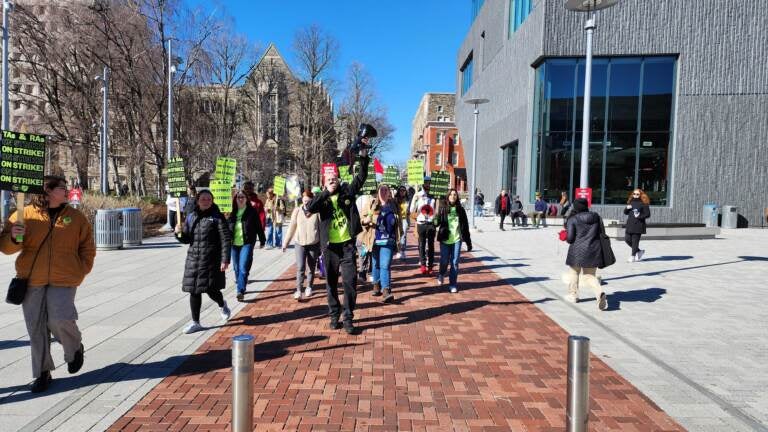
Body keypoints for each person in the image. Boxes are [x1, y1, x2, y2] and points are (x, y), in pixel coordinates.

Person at [0, 176, 96, 393]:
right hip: (32, 279)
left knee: (60, 319)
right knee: (36, 328)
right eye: (63, 188)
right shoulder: (24, 215)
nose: (67, 191)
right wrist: (14, 237)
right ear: (49, 191)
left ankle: (74, 349)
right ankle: (42, 373)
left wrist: (81, 269)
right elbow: (6, 248)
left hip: (65, 278)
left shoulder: (76, 217)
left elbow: (87, 248)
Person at [306, 145, 370, 335]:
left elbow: (361, 178)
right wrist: (326, 192)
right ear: (325, 182)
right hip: (329, 248)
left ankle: (348, 317)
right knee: (331, 283)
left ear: (339, 179)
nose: (333, 181)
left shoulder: (347, 192)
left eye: (335, 178)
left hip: (347, 246)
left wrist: (364, 156)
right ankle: (334, 315)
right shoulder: (322, 198)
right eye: (329, 179)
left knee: (350, 283)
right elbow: (310, 207)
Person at [174, 190, 233, 334]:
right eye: (203, 199)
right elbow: (187, 239)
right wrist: (178, 232)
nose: (206, 201)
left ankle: (222, 304)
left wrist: (225, 259)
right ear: (197, 200)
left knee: (211, 290)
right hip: (193, 259)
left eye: (208, 199)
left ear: (212, 201)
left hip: (211, 260)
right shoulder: (191, 216)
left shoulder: (217, 217)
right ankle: (196, 322)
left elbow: (225, 239)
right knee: (194, 290)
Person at [564, 198, 607, 310]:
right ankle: (599, 293)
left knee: (574, 272)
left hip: (577, 250)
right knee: (589, 276)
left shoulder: (573, 219)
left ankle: (574, 295)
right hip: (594, 250)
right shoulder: (596, 217)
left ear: (575, 207)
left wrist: (565, 236)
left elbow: (570, 238)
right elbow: (602, 233)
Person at [283, 190, 321, 300]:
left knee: (311, 267)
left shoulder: (316, 212)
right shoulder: (297, 211)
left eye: (308, 198)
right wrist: (285, 243)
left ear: (311, 199)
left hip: (313, 243)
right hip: (299, 243)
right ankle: (299, 290)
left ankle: (309, 287)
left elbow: (320, 228)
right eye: (304, 198)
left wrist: (323, 243)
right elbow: (291, 227)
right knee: (300, 267)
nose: (305, 200)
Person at [228, 190, 265, 302]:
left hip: (247, 242)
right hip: (234, 244)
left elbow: (258, 226)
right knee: (236, 268)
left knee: (243, 268)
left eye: (242, 197)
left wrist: (262, 240)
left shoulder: (251, 212)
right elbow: (225, 228)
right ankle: (241, 283)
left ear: (246, 199)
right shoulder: (231, 212)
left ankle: (240, 290)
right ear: (235, 199)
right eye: (238, 197)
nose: (240, 199)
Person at [434, 189, 472, 293]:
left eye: (455, 195)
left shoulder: (460, 209)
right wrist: (435, 218)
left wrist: (468, 242)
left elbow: (465, 227)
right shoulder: (443, 208)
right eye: (451, 194)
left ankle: (453, 284)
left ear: (457, 197)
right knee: (444, 261)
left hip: (457, 239)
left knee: (455, 262)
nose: (453, 196)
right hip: (445, 239)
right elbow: (436, 223)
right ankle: (441, 274)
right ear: (448, 196)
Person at [370, 185, 401, 302]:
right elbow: (363, 218)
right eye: (381, 190)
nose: (383, 192)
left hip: (389, 239)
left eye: (385, 190)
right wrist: (367, 220)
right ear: (377, 192)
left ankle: (386, 290)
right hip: (374, 239)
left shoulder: (393, 206)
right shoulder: (372, 204)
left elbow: (399, 223)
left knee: (385, 264)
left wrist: (400, 237)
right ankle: (376, 285)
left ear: (389, 193)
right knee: (376, 263)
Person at [409, 182, 437, 275]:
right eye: (426, 183)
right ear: (423, 184)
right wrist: (416, 202)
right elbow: (411, 210)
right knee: (421, 245)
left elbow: (437, 208)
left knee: (431, 246)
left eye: (429, 183)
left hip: (431, 223)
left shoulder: (434, 195)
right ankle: (423, 265)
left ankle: (430, 266)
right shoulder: (417, 195)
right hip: (421, 223)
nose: (428, 185)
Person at [624, 189, 651, 262]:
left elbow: (648, 214)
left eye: (637, 194)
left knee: (635, 241)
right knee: (627, 239)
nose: (635, 195)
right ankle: (639, 251)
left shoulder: (644, 203)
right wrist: (626, 208)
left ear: (641, 195)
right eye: (634, 194)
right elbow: (626, 213)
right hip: (630, 224)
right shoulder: (631, 202)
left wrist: (639, 216)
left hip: (638, 225)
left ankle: (632, 256)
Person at [395, 186, 410, 261]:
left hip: (404, 220)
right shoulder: (396, 199)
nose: (402, 192)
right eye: (401, 190)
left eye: (404, 190)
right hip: (398, 219)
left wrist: (409, 222)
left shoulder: (407, 200)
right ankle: (398, 250)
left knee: (403, 235)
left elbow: (408, 213)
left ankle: (403, 251)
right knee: (398, 234)